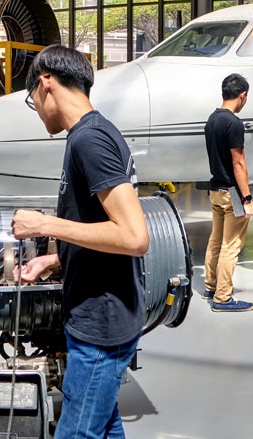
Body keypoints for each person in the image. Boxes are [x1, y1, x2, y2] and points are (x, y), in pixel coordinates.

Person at [10, 46, 151, 439]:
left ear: (45, 83)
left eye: (32, 100)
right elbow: (98, 223)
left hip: (101, 322)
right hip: (106, 313)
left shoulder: (89, 140)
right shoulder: (91, 134)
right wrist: (54, 260)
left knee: (77, 432)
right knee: (105, 423)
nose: (36, 109)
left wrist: (44, 224)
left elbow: (133, 237)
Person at [200, 73, 253, 312]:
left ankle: (210, 287)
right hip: (231, 193)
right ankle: (223, 298)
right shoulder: (234, 124)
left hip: (215, 190)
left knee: (216, 241)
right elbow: (238, 163)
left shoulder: (212, 119)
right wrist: (247, 199)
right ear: (242, 96)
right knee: (230, 246)